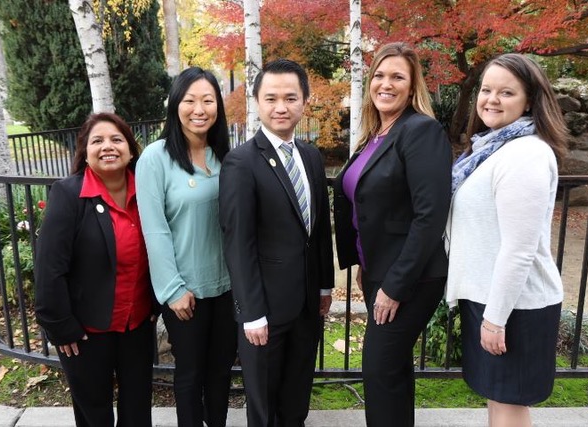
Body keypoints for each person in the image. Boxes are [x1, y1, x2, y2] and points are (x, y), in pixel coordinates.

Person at [445, 53, 569, 427]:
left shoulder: (526, 154)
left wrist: (495, 319)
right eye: (486, 89)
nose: (491, 99)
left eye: (506, 92)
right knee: (498, 399)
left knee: (509, 403)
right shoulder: (492, 148)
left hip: (515, 306)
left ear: (529, 100)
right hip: (490, 299)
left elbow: (519, 250)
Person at [333, 42, 452, 427]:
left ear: (412, 84)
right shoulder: (376, 134)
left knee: (380, 371)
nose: (386, 84)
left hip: (412, 277)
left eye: (397, 76)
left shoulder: (421, 131)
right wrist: (363, 265)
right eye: (380, 76)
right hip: (379, 272)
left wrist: (396, 286)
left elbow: (429, 216)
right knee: (394, 370)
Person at [219, 58, 334, 426]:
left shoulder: (311, 157)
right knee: (265, 405)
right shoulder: (241, 163)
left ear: (305, 101)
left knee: (296, 396)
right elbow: (239, 244)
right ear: (256, 102)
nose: (280, 107)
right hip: (264, 309)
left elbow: (317, 230)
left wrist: (324, 286)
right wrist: (251, 313)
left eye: (290, 97)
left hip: (305, 306)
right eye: (271, 98)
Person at [34, 113, 156, 427]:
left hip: (137, 325)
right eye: (97, 140)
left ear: (130, 149)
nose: (108, 146)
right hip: (85, 332)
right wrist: (60, 326)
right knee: (94, 414)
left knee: (138, 409)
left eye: (117, 139)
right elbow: (50, 268)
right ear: (85, 151)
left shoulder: (148, 190)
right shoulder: (69, 194)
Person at [136, 67, 237, 427]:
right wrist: (173, 290)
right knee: (191, 375)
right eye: (190, 100)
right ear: (175, 104)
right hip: (184, 292)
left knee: (221, 372)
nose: (199, 108)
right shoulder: (156, 157)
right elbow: (155, 229)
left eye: (208, 100)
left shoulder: (227, 156)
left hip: (227, 287)